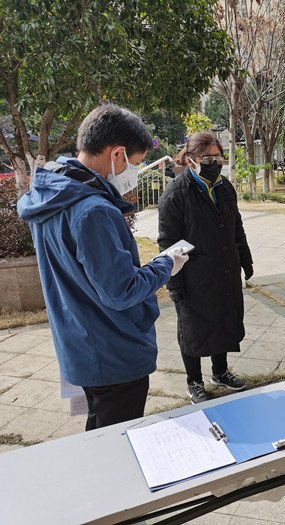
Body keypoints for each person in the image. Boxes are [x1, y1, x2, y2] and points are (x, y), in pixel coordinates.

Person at [17, 105, 188, 430]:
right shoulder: (93, 210)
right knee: (116, 440)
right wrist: (166, 264)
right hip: (113, 351)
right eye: (135, 163)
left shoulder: (51, 194)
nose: (134, 172)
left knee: (98, 433)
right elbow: (121, 291)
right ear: (117, 154)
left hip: (81, 343)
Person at [158, 132, 253, 404]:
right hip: (193, 276)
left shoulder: (225, 187)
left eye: (217, 157)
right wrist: (174, 285)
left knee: (222, 319)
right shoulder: (176, 192)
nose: (214, 163)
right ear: (190, 159)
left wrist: (245, 258)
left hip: (225, 269)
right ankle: (194, 382)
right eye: (207, 157)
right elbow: (168, 241)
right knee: (193, 330)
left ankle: (220, 372)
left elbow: (236, 226)